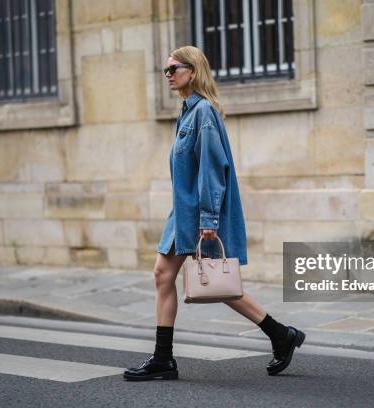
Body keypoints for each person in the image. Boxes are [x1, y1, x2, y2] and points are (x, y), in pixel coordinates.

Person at [123, 46, 305, 381]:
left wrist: (208, 220)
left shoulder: (203, 112)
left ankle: (280, 335)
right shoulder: (187, 111)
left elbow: (211, 168)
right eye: (165, 70)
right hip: (183, 212)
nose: (168, 74)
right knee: (168, 276)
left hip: (198, 215)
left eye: (173, 68)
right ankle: (166, 358)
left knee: (214, 281)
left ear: (192, 71)